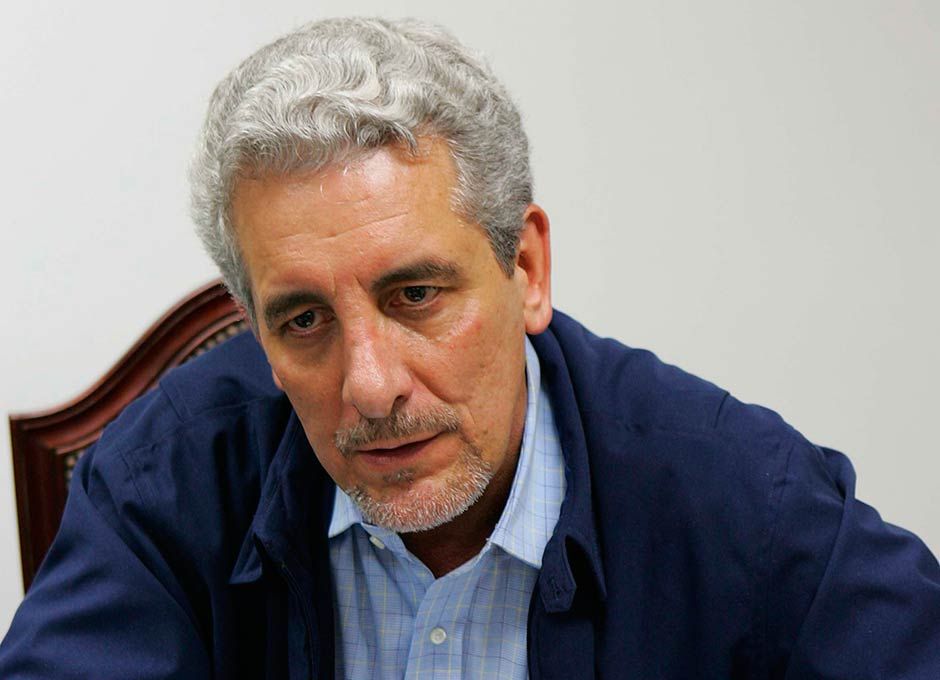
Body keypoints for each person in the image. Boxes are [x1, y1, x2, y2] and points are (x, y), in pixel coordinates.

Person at [1, 16, 938, 679]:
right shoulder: (161, 486)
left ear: (525, 269)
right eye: (304, 321)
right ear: (256, 327)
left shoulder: (743, 501)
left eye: (415, 296)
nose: (371, 387)